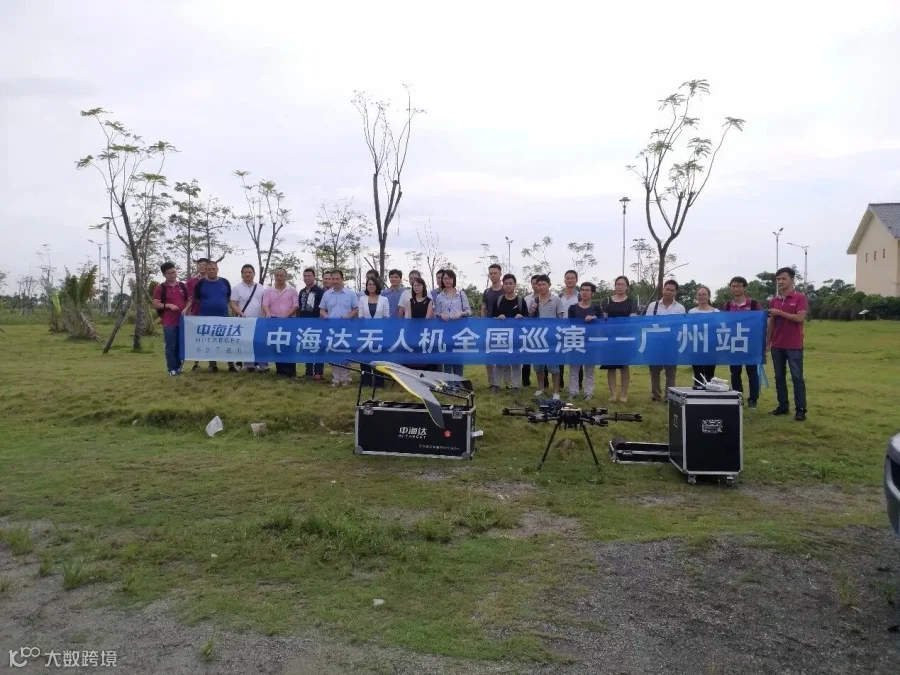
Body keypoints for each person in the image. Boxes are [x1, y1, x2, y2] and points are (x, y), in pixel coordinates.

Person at [768, 267, 808, 421]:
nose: (780, 281)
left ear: (792, 280)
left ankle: (801, 409)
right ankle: (783, 405)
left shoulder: (799, 297)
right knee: (779, 377)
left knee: (797, 377)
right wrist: (768, 342)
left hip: (793, 344)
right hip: (777, 344)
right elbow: (772, 323)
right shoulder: (774, 300)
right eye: (778, 279)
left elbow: (799, 319)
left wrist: (780, 313)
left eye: (783, 278)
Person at [183, 260, 231, 372]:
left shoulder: (225, 282)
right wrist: (208, 304)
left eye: (214, 269)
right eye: (209, 269)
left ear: (217, 269)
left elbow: (228, 297)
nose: (212, 271)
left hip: (223, 317)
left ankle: (231, 364)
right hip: (206, 318)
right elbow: (196, 298)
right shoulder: (200, 283)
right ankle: (212, 365)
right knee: (210, 341)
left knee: (227, 341)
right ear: (206, 270)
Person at [723, 276, 762, 408]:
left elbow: (760, 324)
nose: (736, 288)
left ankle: (753, 399)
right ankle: (737, 397)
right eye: (733, 286)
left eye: (739, 286)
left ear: (744, 288)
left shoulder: (754, 304)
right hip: (733, 343)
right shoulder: (727, 306)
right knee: (735, 373)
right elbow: (724, 324)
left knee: (752, 372)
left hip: (750, 344)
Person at [644, 279, 686, 401]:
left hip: (672, 343)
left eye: (672, 290)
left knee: (671, 371)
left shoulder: (680, 308)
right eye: (667, 289)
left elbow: (681, 326)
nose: (669, 292)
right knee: (655, 371)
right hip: (656, 343)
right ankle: (656, 395)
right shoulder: (653, 306)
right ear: (663, 290)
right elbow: (647, 323)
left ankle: (669, 396)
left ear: (675, 293)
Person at [600, 276, 638, 402]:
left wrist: (623, 330)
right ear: (615, 285)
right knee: (611, 367)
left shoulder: (631, 301)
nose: (620, 286)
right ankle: (613, 394)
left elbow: (633, 319)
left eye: (622, 284)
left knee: (624, 366)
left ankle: (623, 395)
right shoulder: (607, 301)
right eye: (618, 284)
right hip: (610, 338)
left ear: (627, 287)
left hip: (625, 338)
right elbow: (604, 319)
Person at [320, 269, 359, 386]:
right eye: (333, 279)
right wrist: (325, 315)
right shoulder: (327, 294)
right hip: (332, 329)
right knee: (334, 352)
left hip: (346, 328)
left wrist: (348, 316)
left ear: (342, 279)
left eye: (337, 279)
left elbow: (356, 308)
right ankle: (336, 378)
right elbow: (322, 310)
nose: (335, 281)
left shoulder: (350, 293)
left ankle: (346, 378)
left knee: (345, 352)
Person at [529, 274, 565, 400]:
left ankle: (555, 391)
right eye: (539, 285)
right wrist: (532, 310)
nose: (541, 287)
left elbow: (561, 319)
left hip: (552, 338)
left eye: (544, 284)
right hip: (537, 338)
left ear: (549, 285)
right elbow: (529, 319)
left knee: (553, 366)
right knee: (538, 366)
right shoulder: (534, 301)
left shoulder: (556, 300)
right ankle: (540, 388)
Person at [491, 273, 528, 392]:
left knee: (516, 362)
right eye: (506, 283)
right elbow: (491, 319)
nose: (508, 286)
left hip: (517, 336)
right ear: (503, 285)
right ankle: (496, 385)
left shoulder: (521, 301)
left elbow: (527, 320)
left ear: (515, 284)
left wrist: (521, 317)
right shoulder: (498, 301)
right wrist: (498, 318)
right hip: (501, 336)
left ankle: (516, 385)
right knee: (499, 362)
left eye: (510, 283)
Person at [152, 262, 189, 375]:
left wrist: (186, 308)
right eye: (170, 273)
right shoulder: (161, 288)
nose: (173, 274)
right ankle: (172, 369)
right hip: (169, 322)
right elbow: (155, 304)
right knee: (171, 346)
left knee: (179, 345)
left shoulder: (182, 286)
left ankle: (178, 368)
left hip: (181, 321)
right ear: (164, 275)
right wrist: (168, 305)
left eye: (174, 272)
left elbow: (189, 300)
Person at [230, 263, 268, 372]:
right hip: (244, 321)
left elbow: (264, 303)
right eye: (245, 272)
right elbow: (233, 303)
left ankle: (264, 366)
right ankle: (249, 365)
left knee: (260, 343)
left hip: (259, 321)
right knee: (247, 343)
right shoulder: (237, 288)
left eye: (250, 272)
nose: (247, 274)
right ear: (241, 274)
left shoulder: (260, 287)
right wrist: (240, 313)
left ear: (254, 274)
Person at [261, 268, 299, 378]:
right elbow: (265, 305)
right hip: (273, 320)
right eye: (277, 275)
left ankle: (291, 372)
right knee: (277, 346)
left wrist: (286, 315)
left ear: (286, 276)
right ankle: (280, 371)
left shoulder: (292, 290)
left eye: (281, 275)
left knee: (289, 346)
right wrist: (268, 314)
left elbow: (295, 306)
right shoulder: (268, 291)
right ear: (274, 276)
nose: (279, 277)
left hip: (289, 321)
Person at [434, 269, 471, 376]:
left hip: (459, 329)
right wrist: (441, 314)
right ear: (442, 280)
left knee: (458, 356)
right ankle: (449, 381)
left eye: (450, 278)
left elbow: (468, 311)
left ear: (453, 279)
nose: (447, 281)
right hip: (445, 330)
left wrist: (460, 313)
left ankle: (458, 380)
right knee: (447, 356)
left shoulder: (461, 294)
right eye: (445, 278)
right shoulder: (440, 296)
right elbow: (436, 312)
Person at [568, 282, 601, 399]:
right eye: (582, 290)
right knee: (574, 369)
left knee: (589, 370)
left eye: (587, 290)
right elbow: (569, 325)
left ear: (592, 293)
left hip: (590, 342)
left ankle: (588, 393)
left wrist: (594, 318)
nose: (584, 292)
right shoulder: (572, 308)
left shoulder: (596, 308)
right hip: (575, 340)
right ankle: (572, 391)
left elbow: (602, 323)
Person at [359, 276, 391, 387]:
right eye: (369, 284)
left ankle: (379, 382)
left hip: (379, 332)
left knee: (379, 358)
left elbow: (386, 317)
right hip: (365, 332)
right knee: (365, 357)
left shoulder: (384, 299)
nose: (371, 286)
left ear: (377, 286)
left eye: (373, 284)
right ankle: (366, 381)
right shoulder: (362, 299)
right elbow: (361, 316)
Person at [687, 285, 719, 385]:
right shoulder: (692, 312)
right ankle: (698, 391)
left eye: (704, 294)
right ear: (696, 297)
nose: (702, 297)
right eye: (699, 295)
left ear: (709, 296)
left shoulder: (716, 312)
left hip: (711, 347)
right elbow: (688, 328)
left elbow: (719, 328)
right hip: (696, 346)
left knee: (710, 374)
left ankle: (710, 392)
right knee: (698, 374)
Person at [557, 269, 582, 392]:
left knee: (577, 360)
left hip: (576, 332)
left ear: (576, 280)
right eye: (568, 278)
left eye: (572, 278)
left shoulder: (580, 296)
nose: (570, 280)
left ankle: (578, 385)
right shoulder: (558, 297)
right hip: (560, 332)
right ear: (564, 280)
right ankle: (560, 384)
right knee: (560, 359)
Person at [404, 276, 436, 371]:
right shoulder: (410, 301)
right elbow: (409, 317)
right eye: (414, 285)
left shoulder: (429, 301)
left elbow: (427, 318)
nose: (416, 287)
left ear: (423, 286)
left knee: (424, 356)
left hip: (424, 331)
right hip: (412, 331)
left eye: (419, 285)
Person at [298, 268, 325, 380]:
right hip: (304, 324)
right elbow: (300, 308)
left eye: (309, 276)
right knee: (307, 348)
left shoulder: (320, 291)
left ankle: (318, 373)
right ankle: (308, 371)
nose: (307, 278)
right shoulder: (301, 292)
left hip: (317, 324)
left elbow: (323, 308)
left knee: (318, 348)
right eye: (305, 276)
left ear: (314, 277)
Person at [481, 263, 504, 392]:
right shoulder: (487, 292)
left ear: (500, 274)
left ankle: (498, 383)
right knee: (488, 358)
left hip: (503, 329)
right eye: (491, 273)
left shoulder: (505, 290)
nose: (493, 275)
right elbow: (483, 308)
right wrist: (483, 322)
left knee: (500, 358)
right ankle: (491, 382)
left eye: (495, 273)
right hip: (488, 329)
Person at [185, 257, 209, 371]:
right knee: (197, 339)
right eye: (200, 265)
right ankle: (196, 363)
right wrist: (186, 310)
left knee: (211, 339)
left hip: (211, 314)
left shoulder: (214, 280)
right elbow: (188, 299)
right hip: (195, 313)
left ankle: (212, 364)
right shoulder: (190, 282)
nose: (202, 267)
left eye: (204, 265)